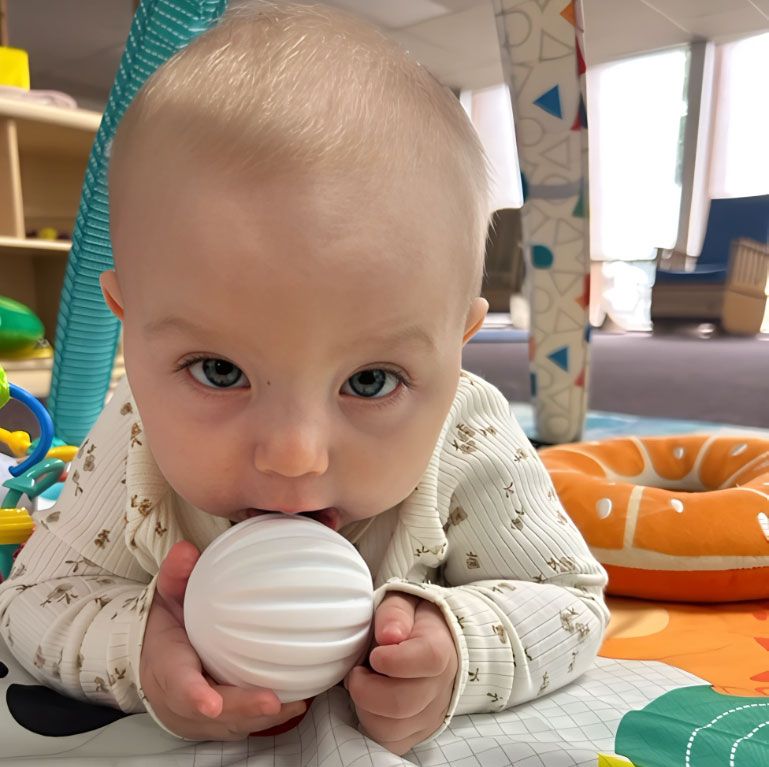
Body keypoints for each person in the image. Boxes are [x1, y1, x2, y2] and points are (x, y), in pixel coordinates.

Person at [0, 1, 608, 756]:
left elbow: (572, 606)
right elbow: (26, 602)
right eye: (219, 370)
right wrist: (137, 650)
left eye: (372, 380)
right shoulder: (133, 433)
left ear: (456, 351)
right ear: (129, 327)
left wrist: (460, 651)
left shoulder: (467, 428)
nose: (294, 454)